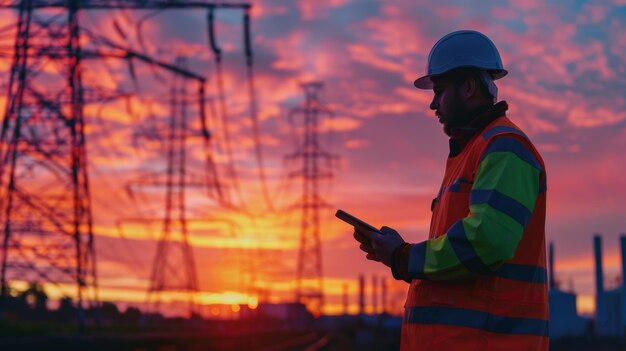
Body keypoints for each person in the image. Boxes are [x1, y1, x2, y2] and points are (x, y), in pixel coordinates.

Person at [354, 30, 548, 350]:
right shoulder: (471, 154)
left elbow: (486, 242)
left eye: (440, 91)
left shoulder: (504, 149)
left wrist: (404, 257)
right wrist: (396, 255)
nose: (433, 103)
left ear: (469, 88)